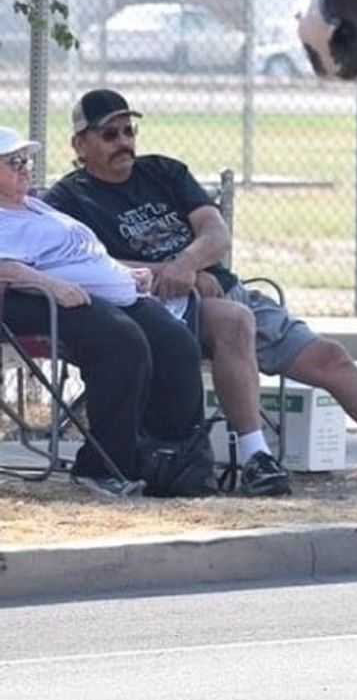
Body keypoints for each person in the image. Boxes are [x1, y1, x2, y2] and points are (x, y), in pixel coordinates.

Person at [48, 90, 357, 488]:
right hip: (156, 312)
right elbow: (83, 264)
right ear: (79, 144)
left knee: (330, 356)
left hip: (220, 289)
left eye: (129, 131)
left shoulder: (163, 172)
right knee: (234, 322)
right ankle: (256, 459)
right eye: (110, 135)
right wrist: (169, 275)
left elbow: (216, 232)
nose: (124, 142)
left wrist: (188, 262)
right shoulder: (69, 200)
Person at [0, 123, 206, 498]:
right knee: (122, 342)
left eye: (26, 160)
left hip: (98, 293)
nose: (25, 168)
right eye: (13, 162)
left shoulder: (32, 205)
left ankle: (168, 460)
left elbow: (80, 253)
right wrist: (53, 286)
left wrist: (127, 274)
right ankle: (103, 465)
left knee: (176, 343)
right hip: (36, 300)